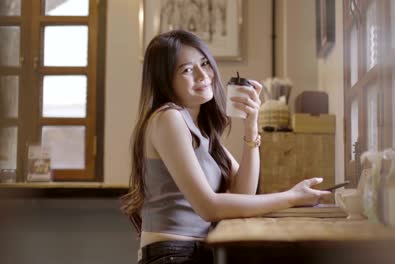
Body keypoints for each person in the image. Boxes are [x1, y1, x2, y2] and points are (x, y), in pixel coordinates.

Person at [121, 29, 330, 264]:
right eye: (187, 70)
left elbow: (244, 193)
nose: (203, 75)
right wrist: (291, 197)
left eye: (204, 63)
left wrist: (251, 126)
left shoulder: (200, 129)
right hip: (172, 255)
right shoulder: (168, 117)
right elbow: (208, 207)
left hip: (194, 253)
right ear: (165, 80)